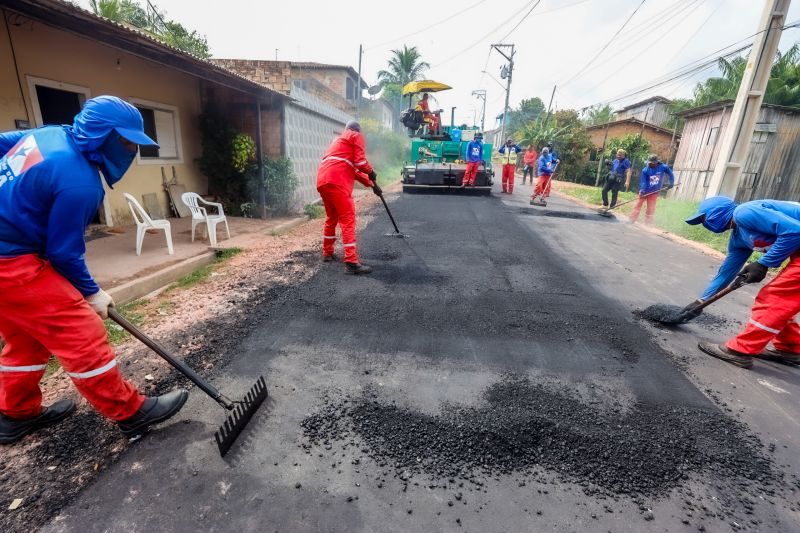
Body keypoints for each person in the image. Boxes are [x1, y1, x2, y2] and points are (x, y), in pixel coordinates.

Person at [0, 95, 189, 445]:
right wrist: (91, 293)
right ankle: (130, 412)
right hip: (11, 263)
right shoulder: (80, 183)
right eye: (125, 140)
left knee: (25, 340)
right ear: (101, 134)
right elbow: (63, 252)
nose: (132, 149)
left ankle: (14, 415)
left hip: (10, 255)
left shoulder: (49, 135)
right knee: (80, 331)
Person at [679, 197, 800, 369]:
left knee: (774, 298)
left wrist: (763, 263)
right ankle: (790, 349)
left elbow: (795, 232)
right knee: (783, 301)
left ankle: (740, 351)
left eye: (703, 219)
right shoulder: (738, 238)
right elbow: (726, 273)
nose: (704, 224)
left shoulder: (744, 212)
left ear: (717, 211)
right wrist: (701, 301)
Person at [316, 120, 381, 275]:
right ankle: (351, 261)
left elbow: (353, 170)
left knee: (331, 217)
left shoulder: (338, 142)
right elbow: (360, 163)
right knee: (347, 219)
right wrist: (371, 171)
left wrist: (371, 184)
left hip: (322, 180)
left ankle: (327, 252)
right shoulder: (355, 135)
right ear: (356, 130)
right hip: (337, 181)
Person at [629, 154, 674, 225]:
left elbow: (670, 173)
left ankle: (648, 223)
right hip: (645, 191)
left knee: (651, 208)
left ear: (657, 162)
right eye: (650, 163)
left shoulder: (663, 167)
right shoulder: (645, 170)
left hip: (654, 192)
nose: (651, 165)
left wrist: (671, 182)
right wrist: (642, 190)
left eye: (653, 163)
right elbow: (643, 181)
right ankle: (632, 219)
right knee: (638, 205)